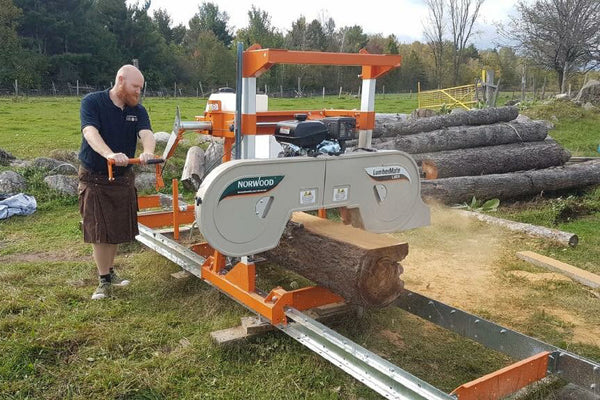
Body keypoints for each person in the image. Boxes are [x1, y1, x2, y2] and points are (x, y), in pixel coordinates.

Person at [78, 64, 156, 300]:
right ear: (121, 80)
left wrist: (148, 152)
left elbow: (146, 133)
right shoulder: (93, 102)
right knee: (101, 230)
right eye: (135, 87)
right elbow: (90, 132)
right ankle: (103, 280)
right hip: (96, 176)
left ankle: (110, 273)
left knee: (114, 227)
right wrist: (109, 154)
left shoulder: (138, 110)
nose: (138, 92)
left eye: (140, 89)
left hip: (122, 178)